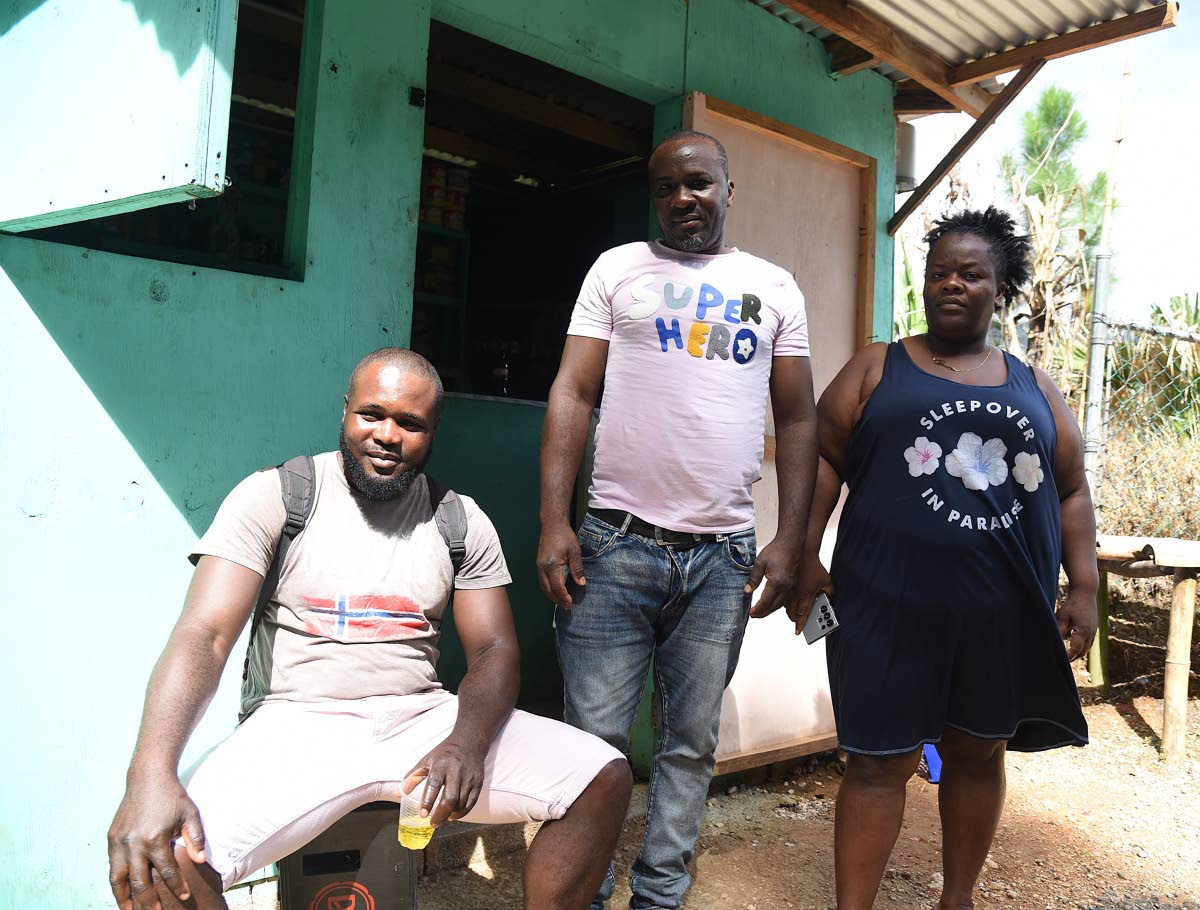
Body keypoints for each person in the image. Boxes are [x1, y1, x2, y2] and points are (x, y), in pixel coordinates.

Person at [107, 348, 632, 910]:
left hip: (420, 720)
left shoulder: (459, 518)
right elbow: (203, 637)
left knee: (601, 776)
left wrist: (466, 741)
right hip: (297, 723)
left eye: (411, 423)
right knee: (162, 862)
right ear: (345, 411)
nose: (388, 435)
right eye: (372, 414)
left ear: (433, 432)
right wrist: (150, 775)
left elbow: (495, 650)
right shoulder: (279, 496)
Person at [538, 130, 818, 909]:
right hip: (613, 546)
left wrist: (790, 538)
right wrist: (554, 521)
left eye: (698, 184)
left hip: (722, 560)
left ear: (730, 190)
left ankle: (659, 895)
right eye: (666, 188)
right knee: (592, 748)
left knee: (690, 746)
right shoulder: (617, 271)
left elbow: (797, 419)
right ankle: (585, 894)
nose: (683, 199)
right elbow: (573, 393)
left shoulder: (775, 288)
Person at [795, 207, 1097, 910]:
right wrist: (802, 554)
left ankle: (956, 899)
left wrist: (1084, 587)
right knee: (876, 760)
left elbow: (1073, 490)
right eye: (939, 273)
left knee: (978, 750)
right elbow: (823, 462)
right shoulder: (878, 365)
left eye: (971, 274)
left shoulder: (1035, 386)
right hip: (880, 605)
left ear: (1001, 288)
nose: (950, 285)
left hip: (999, 611)